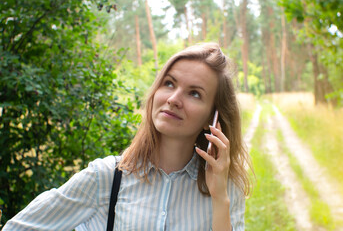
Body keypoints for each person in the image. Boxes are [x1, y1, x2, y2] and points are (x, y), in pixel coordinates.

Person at [3, 42, 252, 231]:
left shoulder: (226, 188)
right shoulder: (106, 177)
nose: (174, 99)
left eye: (195, 94)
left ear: (214, 118)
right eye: (169, 83)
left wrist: (220, 197)